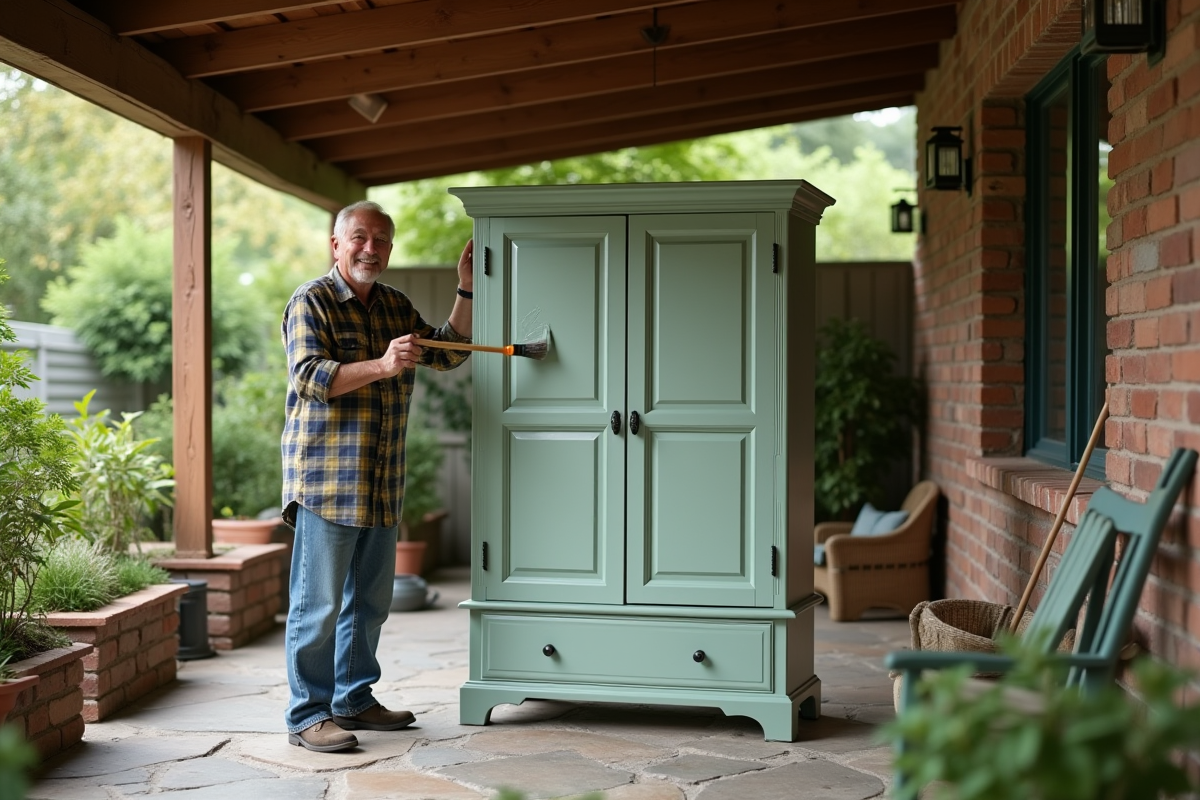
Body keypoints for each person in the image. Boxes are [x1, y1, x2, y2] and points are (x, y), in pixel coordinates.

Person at [280, 200, 473, 752]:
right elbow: (312, 377)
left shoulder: (394, 305)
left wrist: (466, 290)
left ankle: (354, 700)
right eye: (360, 237)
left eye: (382, 240)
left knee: (370, 604)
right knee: (316, 606)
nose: (372, 248)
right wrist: (384, 365)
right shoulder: (310, 301)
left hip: (381, 480)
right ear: (336, 244)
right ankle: (306, 715)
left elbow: (447, 352)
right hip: (325, 481)